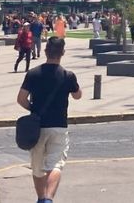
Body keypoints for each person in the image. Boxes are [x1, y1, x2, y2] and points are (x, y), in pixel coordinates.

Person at [17, 37, 81, 203]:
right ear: (63, 53)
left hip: (37, 126)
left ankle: (40, 198)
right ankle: (48, 198)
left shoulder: (33, 73)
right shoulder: (68, 75)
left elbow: (21, 99)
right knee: (55, 165)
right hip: (59, 125)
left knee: (37, 168)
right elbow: (78, 95)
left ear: (45, 52)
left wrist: (33, 109)